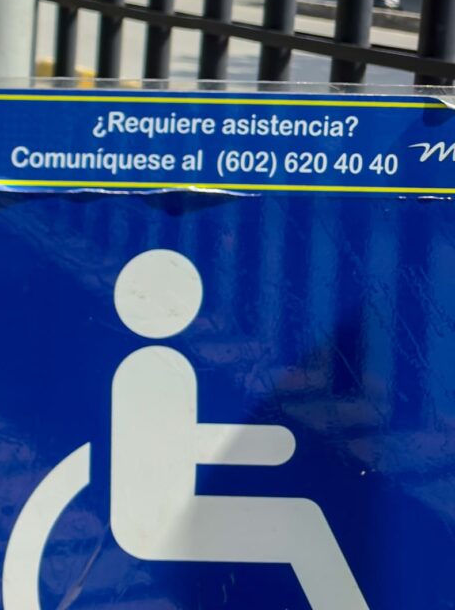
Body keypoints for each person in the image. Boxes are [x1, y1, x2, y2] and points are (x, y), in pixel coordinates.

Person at [108, 249, 368, 610]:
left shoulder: (142, 367)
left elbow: (188, 444)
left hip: (181, 513)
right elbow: (194, 445)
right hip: (178, 518)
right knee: (306, 525)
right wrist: (273, 442)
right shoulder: (158, 369)